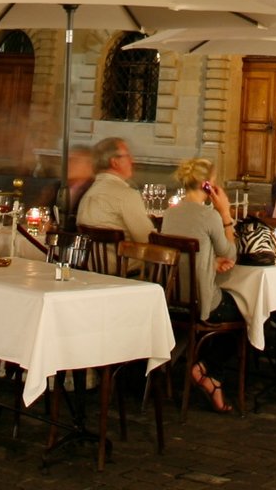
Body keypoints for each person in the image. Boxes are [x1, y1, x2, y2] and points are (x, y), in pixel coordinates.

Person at [161, 158, 240, 412]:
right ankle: (208, 370)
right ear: (208, 186)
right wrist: (225, 213)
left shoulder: (171, 213)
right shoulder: (209, 216)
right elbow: (231, 252)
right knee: (246, 313)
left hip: (176, 297)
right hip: (203, 300)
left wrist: (209, 262)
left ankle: (206, 370)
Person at [76, 135, 156, 243]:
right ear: (114, 162)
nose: (132, 161)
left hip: (89, 260)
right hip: (124, 259)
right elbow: (148, 239)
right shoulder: (126, 195)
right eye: (127, 156)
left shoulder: (87, 195)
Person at [54, 146, 97, 238]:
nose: (69, 165)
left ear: (89, 166)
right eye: (68, 160)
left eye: (75, 161)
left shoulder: (95, 190)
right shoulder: (57, 187)